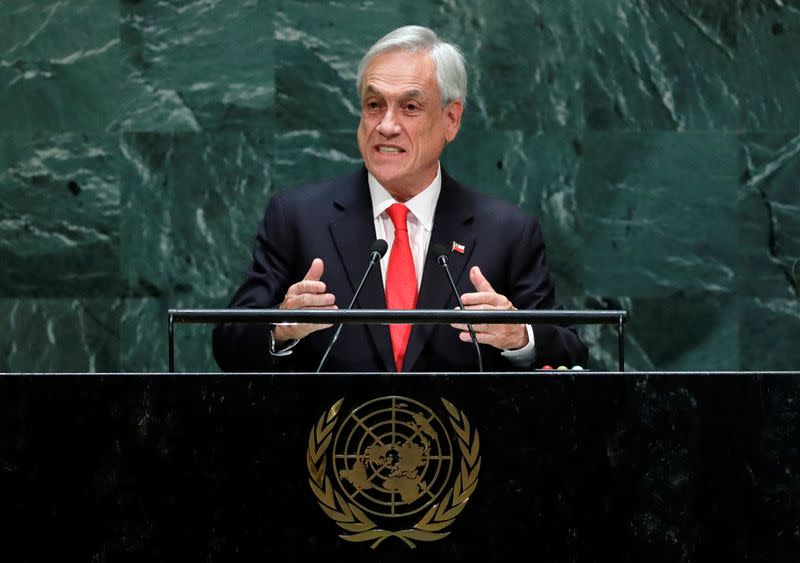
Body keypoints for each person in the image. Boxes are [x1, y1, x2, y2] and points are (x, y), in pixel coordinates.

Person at [212, 25, 588, 373]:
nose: (386, 126)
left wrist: (519, 336)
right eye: (374, 105)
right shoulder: (296, 218)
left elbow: (569, 350)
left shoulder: (507, 232)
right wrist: (281, 324)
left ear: (451, 120)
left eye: (410, 107)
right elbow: (228, 345)